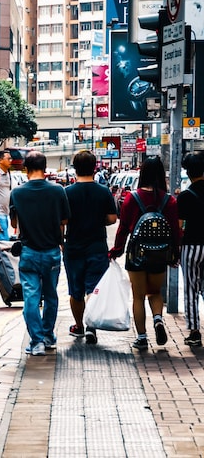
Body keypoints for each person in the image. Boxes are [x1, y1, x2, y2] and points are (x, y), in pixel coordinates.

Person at [109, 155, 181, 351]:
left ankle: (141, 337)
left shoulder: (132, 198)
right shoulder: (170, 201)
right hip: (160, 255)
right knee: (155, 292)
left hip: (137, 255)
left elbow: (123, 228)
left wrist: (116, 250)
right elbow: (175, 231)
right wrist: (175, 254)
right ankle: (158, 319)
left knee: (138, 296)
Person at [10, 151, 71, 356]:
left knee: (31, 298)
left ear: (26, 168)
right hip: (52, 251)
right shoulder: (58, 191)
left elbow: (14, 223)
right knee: (51, 296)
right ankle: (48, 336)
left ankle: (36, 342)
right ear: (45, 168)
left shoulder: (17, 193)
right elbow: (64, 221)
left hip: (28, 252)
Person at [64, 150, 118, 344]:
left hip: (74, 247)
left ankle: (78, 325)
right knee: (93, 289)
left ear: (75, 169)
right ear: (95, 168)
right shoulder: (103, 191)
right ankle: (91, 327)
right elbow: (112, 218)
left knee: (75, 290)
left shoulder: (67, 192)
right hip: (97, 246)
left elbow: (63, 220)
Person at [179, 151, 204, 348]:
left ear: (188, 173)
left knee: (191, 289)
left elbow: (179, 226)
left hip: (192, 246)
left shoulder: (185, 196)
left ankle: (195, 332)